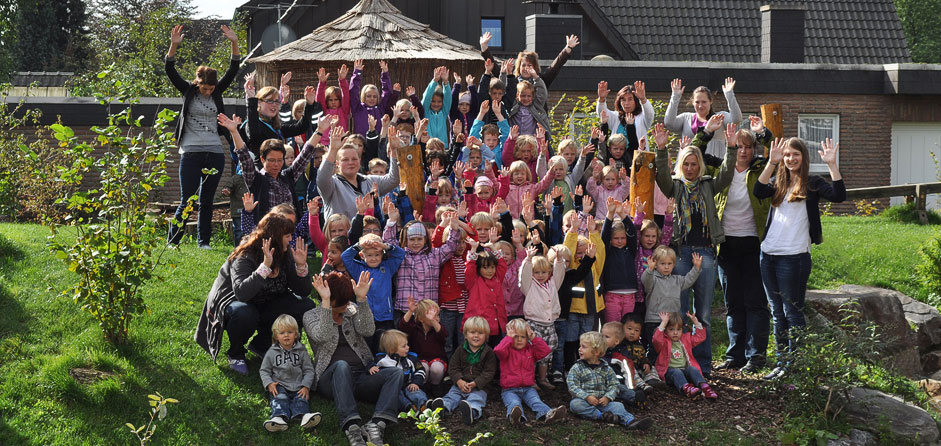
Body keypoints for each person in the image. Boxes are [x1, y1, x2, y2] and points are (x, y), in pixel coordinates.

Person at [755, 137, 845, 380]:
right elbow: (758, 190)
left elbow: (838, 196)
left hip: (794, 258)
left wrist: (832, 165)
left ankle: (794, 366)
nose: (791, 159)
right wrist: (771, 163)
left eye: (795, 154)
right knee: (777, 312)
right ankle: (782, 363)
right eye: (787, 155)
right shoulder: (777, 182)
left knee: (792, 311)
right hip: (768, 254)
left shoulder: (813, 183)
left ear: (803, 157)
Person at [692, 118, 774, 374]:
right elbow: (693, 152)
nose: (744, 151)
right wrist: (707, 132)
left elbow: (781, 153)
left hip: (754, 244)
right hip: (726, 244)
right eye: (739, 146)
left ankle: (756, 355)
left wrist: (763, 133)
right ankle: (735, 355)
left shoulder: (762, 167)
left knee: (756, 302)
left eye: (748, 146)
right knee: (733, 302)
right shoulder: (720, 169)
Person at [653, 121, 735, 376]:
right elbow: (662, 178)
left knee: (704, 313)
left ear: (700, 165)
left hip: (706, 253)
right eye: (685, 164)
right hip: (682, 253)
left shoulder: (709, 185)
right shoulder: (676, 186)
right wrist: (661, 149)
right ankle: (677, 363)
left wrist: (731, 148)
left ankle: (703, 365)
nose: (689, 168)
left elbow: (727, 174)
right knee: (677, 312)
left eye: (693, 164)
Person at [195, 213, 314, 374]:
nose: (291, 239)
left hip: (268, 303)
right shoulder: (245, 254)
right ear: (276, 237)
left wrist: (300, 267)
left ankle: (262, 344)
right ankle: (236, 353)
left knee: (305, 306)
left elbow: (303, 291)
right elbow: (242, 293)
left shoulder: (284, 253)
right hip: (239, 303)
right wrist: (264, 267)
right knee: (244, 313)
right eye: (287, 235)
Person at [305, 271, 403, 446]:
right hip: (331, 378)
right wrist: (327, 304)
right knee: (341, 365)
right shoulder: (311, 316)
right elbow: (322, 335)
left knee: (395, 373)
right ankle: (352, 426)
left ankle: (377, 423)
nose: (346, 305)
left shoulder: (351, 310)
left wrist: (362, 300)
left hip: (361, 375)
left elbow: (368, 330)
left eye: (347, 300)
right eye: (341, 302)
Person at [164, 24, 241, 248]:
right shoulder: (188, 91)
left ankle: (203, 242)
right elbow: (170, 70)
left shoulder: (217, 92)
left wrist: (234, 42)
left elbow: (233, 69)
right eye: (204, 88)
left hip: (214, 152)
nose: (208, 92)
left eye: (211, 88)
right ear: (197, 83)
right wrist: (173, 46)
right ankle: (173, 241)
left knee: (206, 200)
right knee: (187, 199)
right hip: (190, 152)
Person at [219, 112, 328, 223]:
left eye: (280, 160)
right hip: (267, 235)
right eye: (271, 160)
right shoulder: (255, 179)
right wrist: (234, 131)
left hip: (290, 234)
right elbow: (243, 156)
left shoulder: (288, 176)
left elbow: (305, 154)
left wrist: (319, 131)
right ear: (262, 159)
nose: (276, 164)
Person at [317, 117, 400, 223]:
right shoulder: (332, 185)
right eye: (345, 160)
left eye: (354, 159)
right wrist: (333, 150)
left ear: (360, 160)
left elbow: (394, 179)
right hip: (342, 238)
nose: (350, 162)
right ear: (337, 163)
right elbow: (321, 178)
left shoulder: (370, 181)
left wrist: (394, 151)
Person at [566, 331, 652, 430]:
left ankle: (630, 421)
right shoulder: (577, 367)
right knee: (575, 405)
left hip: (603, 402)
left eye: (584, 347)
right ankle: (600, 416)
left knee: (618, 406)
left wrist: (608, 397)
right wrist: (587, 397)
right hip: (584, 401)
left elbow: (614, 385)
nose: (579, 349)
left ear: (596, 352)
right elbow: (572, 385)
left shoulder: (606, 368)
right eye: (580, 346)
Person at [427, 316, 498, 425]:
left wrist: (475, 383)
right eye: (472, 332)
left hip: (480, 387)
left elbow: (488, 373)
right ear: (465, 335)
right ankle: (443, 409)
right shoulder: (461, 350)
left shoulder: (488, 352)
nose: (476, 336)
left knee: (476, 399)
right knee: (452, 396)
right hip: (460, 384)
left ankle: (471, 412)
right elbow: (453, 367)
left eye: (480, 333)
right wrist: (459, 381)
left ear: (486, 336)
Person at [493, 319, 566, 424]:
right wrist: (508, 338)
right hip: (509, 389)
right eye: (515, 337)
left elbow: (545, 351)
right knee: (514, 403)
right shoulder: (507, 351)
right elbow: (498, 351)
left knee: (536, 401)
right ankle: (517, 418)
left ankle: (549, 415)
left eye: (523, 337)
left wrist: (534, 338)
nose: (519, 340)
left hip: (528, 388)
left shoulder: (530, 350)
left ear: (527, 338)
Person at [259, 314, 321, 432]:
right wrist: (269, 383)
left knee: (301, 399)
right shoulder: (272, 352)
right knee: (280, 398)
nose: (286, 335)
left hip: (298, 384)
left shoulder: (301, 350)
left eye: (290, 332)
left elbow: (309, 369)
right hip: (280, 384)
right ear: (276, 336)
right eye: (282, 333)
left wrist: (306, 386)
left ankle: (304, 416)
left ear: (296, 334)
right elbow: (264, 370)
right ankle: (278, 418)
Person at [641, 246, 701, 363]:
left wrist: (696, 268)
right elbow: (645, 282)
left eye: (670, 263)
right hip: (654, 320)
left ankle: (669, 371)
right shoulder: (652, 278)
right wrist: (649, 270)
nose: (666, 267)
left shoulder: (677, 280)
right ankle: (651, 372)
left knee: (669, 348)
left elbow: (688, 280)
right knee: (654, 348)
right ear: (656, 263)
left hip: (672, 321)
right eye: (663, 263)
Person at [519, 245, 567, 390]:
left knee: (547, 351)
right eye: (537, 272)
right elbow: (524, 275)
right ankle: (531, 379)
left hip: (550, 323)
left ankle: (542, 378)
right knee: (532, 351)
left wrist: (558, 260)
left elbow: (559, 274)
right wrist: (527, 260)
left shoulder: (553, 284)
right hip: (534, 323)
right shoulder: (529, 285)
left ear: (549, 272)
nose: (540, 275)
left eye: (543, 272)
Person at [242, 72, 319, 163]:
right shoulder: (252, 124)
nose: (274, 105)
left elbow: (301, 127)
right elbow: (254, 133)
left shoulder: (276, 126)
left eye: (276, 101)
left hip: (278, 172)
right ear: (259, 103)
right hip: (261, 173)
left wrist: (309, 104)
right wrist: (251, 99)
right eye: (269, 101)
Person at [664, 77, 741, 158]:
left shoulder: (720, 117)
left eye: (704, 102)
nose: (700, 106)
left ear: (711, 101)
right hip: (688, 167)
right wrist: (675, 96)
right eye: (697, 102)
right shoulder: (686, 118)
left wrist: (729, 95)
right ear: (693, 102)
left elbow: (736, 119)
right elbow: (669, 123)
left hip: (714, 167)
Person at [652, 311, 717, 399]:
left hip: (685, 371)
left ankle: (705, 387)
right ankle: (686, 388)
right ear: (666, 330)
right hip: (670, 373)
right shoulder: (663, 342)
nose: (675, 332)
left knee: (692, 369)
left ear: (682, 329)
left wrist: (696, 322)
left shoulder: (686, 339)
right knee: (676, 371)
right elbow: (656, 339)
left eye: (678, 329)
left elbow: (700, 337)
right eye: (671, 329)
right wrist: (663, 323)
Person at [368, 329, 428, 412]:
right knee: (396, 396)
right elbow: (370, 363)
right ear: (392, 350)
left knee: (415, 392)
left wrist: (415, 382)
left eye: (407, 344)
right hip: (392, 387)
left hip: (408, 385)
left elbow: (420, 370)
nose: (408, 347)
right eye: (404, 346)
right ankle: (409, 408)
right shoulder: (381, 359)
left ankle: (424, 405)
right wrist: (371, 367)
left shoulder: (411, 359)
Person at [463, 239, 509, 346]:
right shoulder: (474, 281)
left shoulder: (497, 279)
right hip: (479, 327)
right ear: (478, 269)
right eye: (485, 267)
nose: (490, 270)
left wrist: (493, 248)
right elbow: (470, 267)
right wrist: (474, 248)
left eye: (492, 267)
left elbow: (502, 265)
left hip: (496, 326)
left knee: (494, 353)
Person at [398, 297, 449, 386]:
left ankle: (435, 387)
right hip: (419, 360)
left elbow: (443, 334)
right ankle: (423, 387)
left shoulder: (437, 328)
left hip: (437, 360)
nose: (436, 318)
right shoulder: (415, 328)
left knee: (436, 368)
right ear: (421, 319)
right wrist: (410, 311)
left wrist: (433, 321)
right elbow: (402, 326)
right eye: (432, 316)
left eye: (437, 315)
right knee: (423, 367)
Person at [600, 321, 649, 407]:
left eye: (606, 337)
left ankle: (635, 398)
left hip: (616, 383)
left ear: (616, 341)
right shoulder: (599, 352)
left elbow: (628, 373)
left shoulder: (621, 357)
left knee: (621, 389)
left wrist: (631, 388)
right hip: (600, 383)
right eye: (601, 336)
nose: (602, 339)